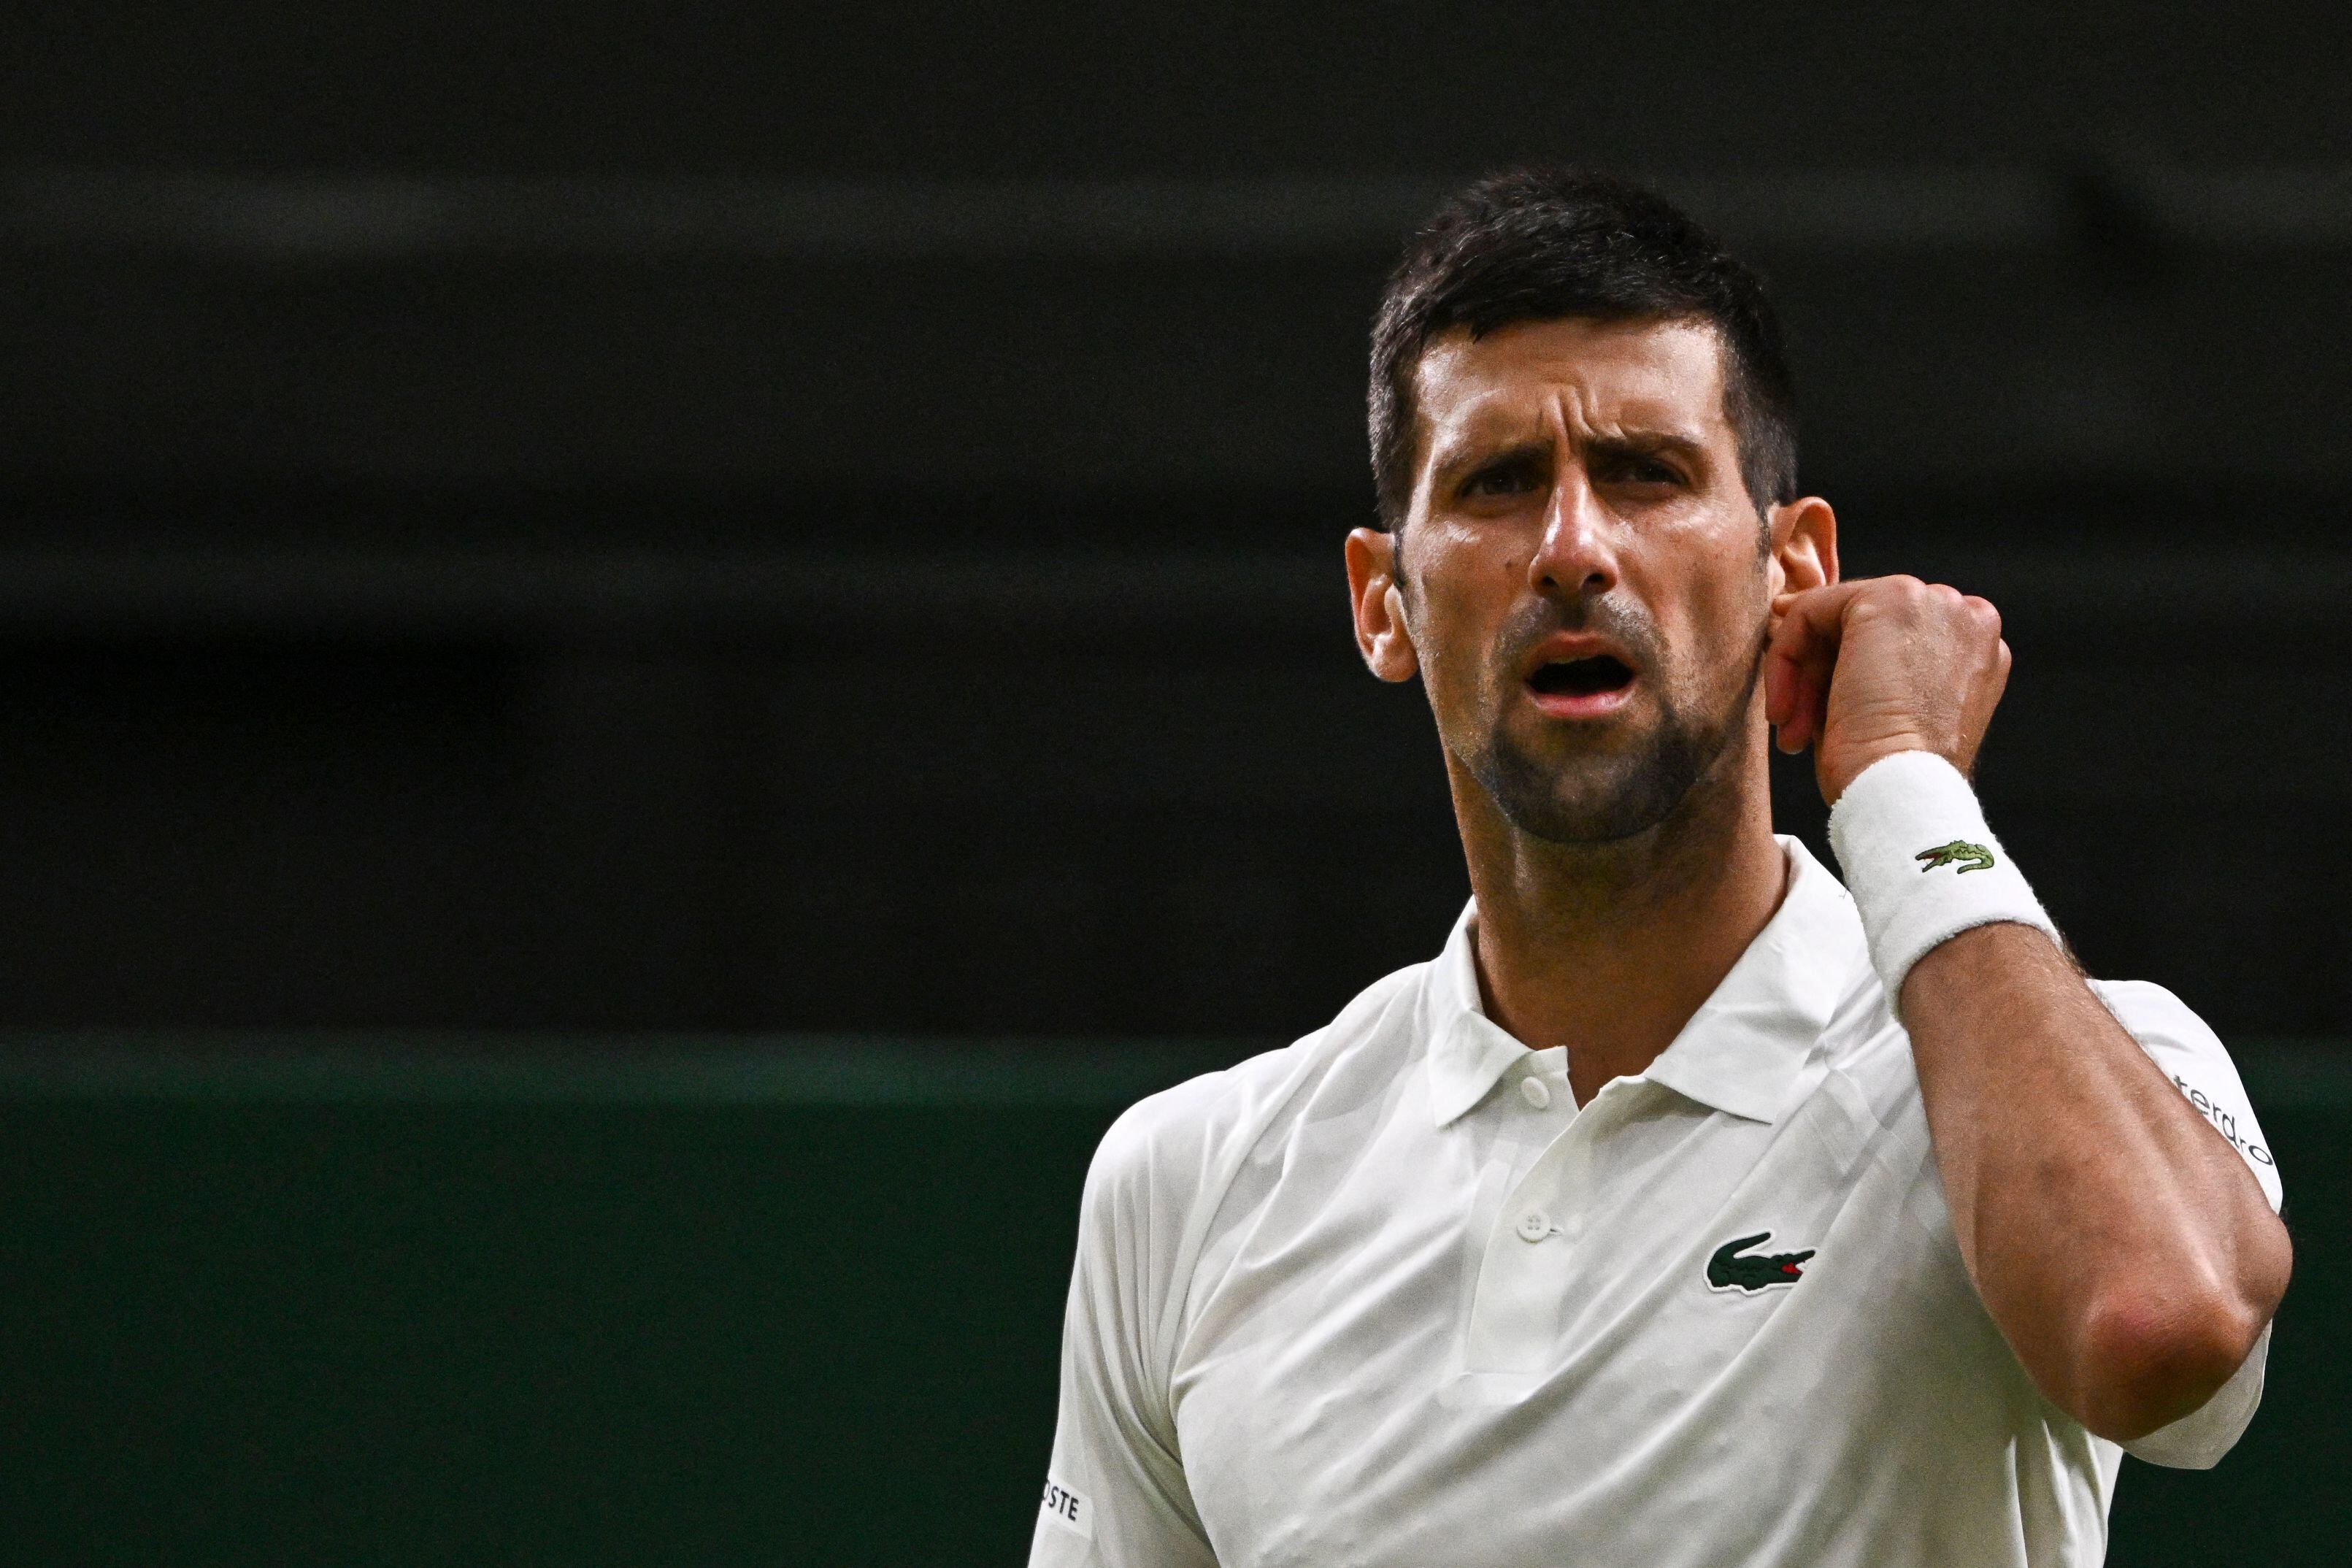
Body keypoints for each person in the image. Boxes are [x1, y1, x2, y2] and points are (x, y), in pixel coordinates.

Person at [1026, 169, 2290, 1568]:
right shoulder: (1188, 1184)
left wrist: (1905, 786)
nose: (1572, 548)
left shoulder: (2077, 1066)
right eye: (1498, 484)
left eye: (1647, 472)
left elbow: (2158, 1330)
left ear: (1789, 569)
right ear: (1382, 604)